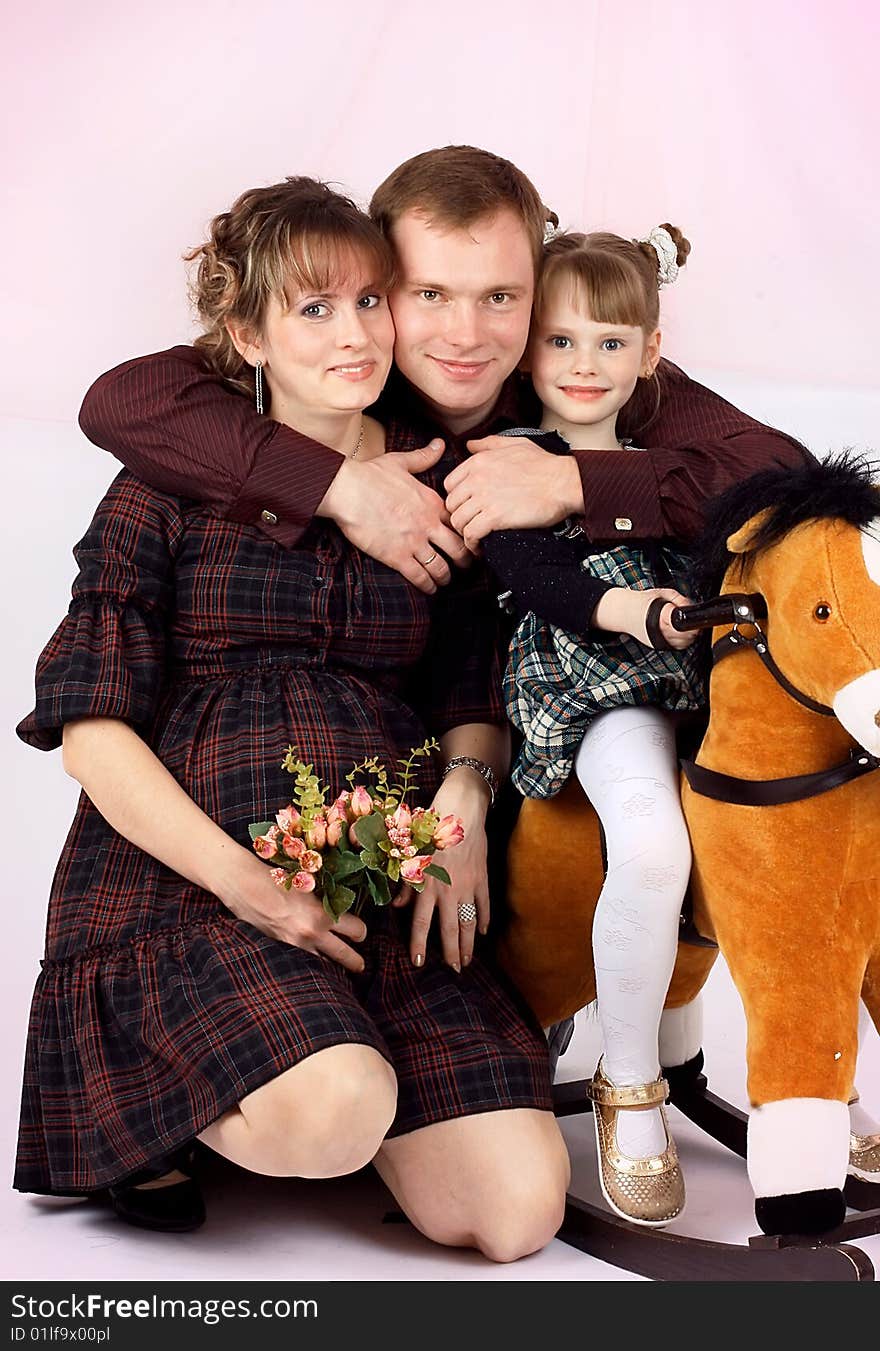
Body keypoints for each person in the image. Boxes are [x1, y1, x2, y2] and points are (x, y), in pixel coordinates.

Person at [15, 177, 570, 1260]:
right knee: (334, 1114)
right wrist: (244, 883)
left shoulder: (439, 476)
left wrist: (464, 792)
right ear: (245, 336)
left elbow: (470, 683)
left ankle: (329, 1056)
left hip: (386, 873)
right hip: (200, 877)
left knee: (512, 1214)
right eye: (312, 310)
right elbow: (91, 728)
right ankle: (181, 1106)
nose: (354, 333)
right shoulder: (167, 483)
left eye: (370, 301)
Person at [482, 225, 706, 1227]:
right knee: (653, 844)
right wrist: (636, 611)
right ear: (529, 350)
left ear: (649, 353)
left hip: (698, 680)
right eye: (563, 342)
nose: (585, 365)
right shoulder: (510, 458)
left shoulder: (672, 467)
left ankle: (818, 1076)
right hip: (595, 680)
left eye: (610, 344)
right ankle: (626, 1084)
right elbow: (532, 576)